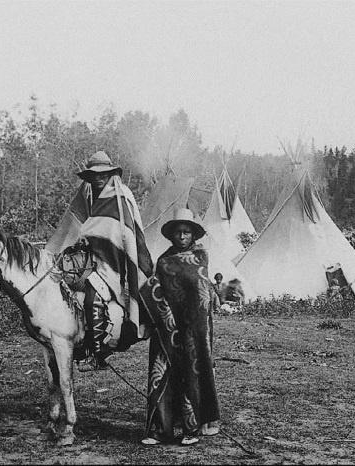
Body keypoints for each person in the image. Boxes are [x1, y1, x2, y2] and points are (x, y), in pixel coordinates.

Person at [55, 150, 153, 371]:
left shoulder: (121, 196)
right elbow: (75, 226)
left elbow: (126, 233)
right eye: (93, 176)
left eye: (102, 174)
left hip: (112, 261)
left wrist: (99, 242)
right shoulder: (88, 195)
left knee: (92, 298)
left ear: (110, 174)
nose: (98, 179)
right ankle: (74, 343)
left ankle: (98, 352)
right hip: (88, 260)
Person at [141, 208, 220, 446]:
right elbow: (154, 289)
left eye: (186, 232)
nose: (182, 236)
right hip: (166, 326)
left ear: (193, 234)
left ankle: (191, 429)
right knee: (162, 373)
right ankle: (160, 430)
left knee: (190, 372)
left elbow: (201, 292)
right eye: (178, 232)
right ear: (172, 235)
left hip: (194, 328)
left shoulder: (200, 258)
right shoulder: (163, 261)